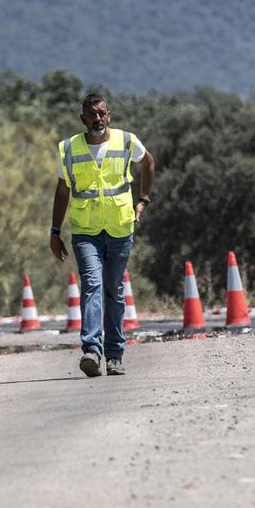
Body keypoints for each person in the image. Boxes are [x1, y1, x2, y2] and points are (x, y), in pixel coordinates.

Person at [50, 92, 154, 377]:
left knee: (114, 291)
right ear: (83, 119)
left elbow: (148, 164)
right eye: (92, 114)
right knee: (92, 285)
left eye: (102, 113)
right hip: (85, 231)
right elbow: (62, 191)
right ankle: (91, 351)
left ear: (109, 115)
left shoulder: (126, 141)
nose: (98, 118)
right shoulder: (69, 148)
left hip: (120, 228)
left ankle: (115, 356)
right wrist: (55, 231)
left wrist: (143, 199)